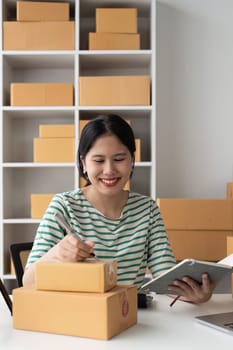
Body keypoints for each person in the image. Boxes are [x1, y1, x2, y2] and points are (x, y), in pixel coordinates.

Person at [23, 114, 214, 304]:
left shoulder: (147, 209)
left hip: (128, 316)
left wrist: (195, 295)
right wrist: (56, 255)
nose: (109, 170)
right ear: (83, 163)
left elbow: (166, 278)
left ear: (132, 159)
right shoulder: (64, 206)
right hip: (79, 316)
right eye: (98, 161)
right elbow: (27, 282)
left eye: (119, 159)